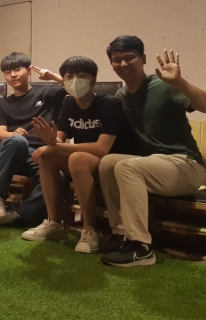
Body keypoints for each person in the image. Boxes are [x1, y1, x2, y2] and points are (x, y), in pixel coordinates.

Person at [99, 36, 206, 267]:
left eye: (129, 57)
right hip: (152, 163)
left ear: (143, 59)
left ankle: (140, 247)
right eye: (116, 60)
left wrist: (180, 82)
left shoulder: (165, 86)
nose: (123, 64)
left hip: (186, 164)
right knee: (107, 162)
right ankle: (121, 234)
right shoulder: (120, 96)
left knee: (126, 166)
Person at [21, 56, 135, 253]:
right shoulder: (68, 104)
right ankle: (54, 223)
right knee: (47, 157)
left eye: (81, 75)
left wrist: (55, 146)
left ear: (93, 81)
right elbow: (60, 139)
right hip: (85, 162)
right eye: (69, 76)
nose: (74, 81)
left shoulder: (110, 104)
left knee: (76, 158)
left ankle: (90, 229)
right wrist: (51, 140)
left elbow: (102, 148)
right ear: (63, 80)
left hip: (111, 162)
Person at [0, 53, 66, 227]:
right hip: (11, 153)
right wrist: (12, 134)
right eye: (8, 72)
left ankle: (16, 214)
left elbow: (77, 89)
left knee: (59, 177)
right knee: (17, 142)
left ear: (29, 70)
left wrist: (53, 76)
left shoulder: (47, 93)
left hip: (40, 153)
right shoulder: (3, 104)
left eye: (17, 69)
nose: (13, 75)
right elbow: (0, 133)